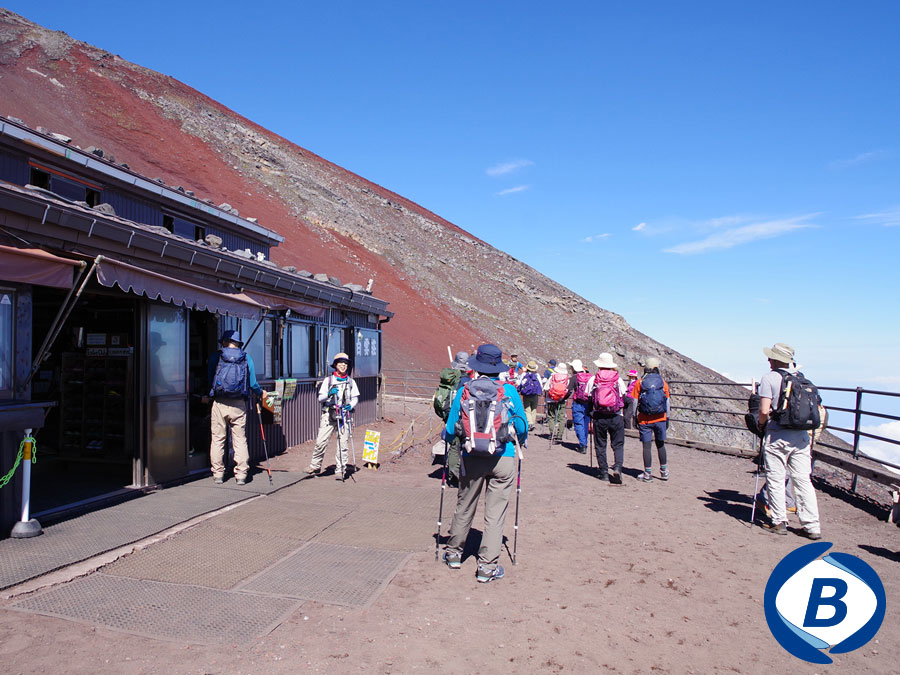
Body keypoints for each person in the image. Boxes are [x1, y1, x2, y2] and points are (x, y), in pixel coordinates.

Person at [442, 344, 527, 583]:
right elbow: (521, 427)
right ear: (498, 366)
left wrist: (452, 440)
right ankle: (487, 567)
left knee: (465, 504)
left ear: (476, 365)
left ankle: (454, 554)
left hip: (471, 457)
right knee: (495, 512)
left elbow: (450, 430)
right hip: (503, 457)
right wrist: (517, 441)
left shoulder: (465, 391)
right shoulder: (509, 391)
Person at [757, 342, 821, 539]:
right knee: (803, 480)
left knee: (776, 479)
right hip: (801, 436)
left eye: (771, 357)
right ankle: (812, 526)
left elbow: (764, 411)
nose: (768, 360)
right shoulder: (801, 378)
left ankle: (779, 521)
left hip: (778, 435)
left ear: (777, 360)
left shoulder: (770, 378)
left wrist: (762, 425)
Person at [206, 329, 265, 485]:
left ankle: (218, 474)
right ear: (239, 343)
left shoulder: (216, 356)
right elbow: (253, 383)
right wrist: (260, 393)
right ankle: (241, 474)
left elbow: (209, 378)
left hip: (219, 402)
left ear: (225, 342)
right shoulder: (246, 358)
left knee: (218, 439)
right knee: (239, 439)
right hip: (239, 403)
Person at [307, 352, 360, 480]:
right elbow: (320, 398)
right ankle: (315, 466)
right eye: (340, 363)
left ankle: (340, 470)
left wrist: (350, 406)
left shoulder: (351, 382)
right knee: (321, 441)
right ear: (335, 365)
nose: (343, 365)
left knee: (343, 443)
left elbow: (355, 398)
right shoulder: (328, 380)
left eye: (345, 363)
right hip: (329, 414)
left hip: (344, 416)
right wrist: (329, 393)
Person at [585, 353, 627, 483]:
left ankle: (603, 472)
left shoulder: (593, 379)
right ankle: (618, 467)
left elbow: (589, 397)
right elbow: (624, 397)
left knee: (600, 444)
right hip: (616, 415)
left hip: (599, 416)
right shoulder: (617, 379)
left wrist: (591, 412)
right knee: (618, 444)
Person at [631, 357, 670, 482]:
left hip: (645, 419)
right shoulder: (662, 382)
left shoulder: (640, 382)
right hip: (661, 418)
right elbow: (667, 401)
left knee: (647, 447)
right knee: (660, 444)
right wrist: (667, 417)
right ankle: (664, 472)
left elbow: (635, 401)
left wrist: (634, 416)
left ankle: (648, 474)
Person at [544, 362, 571, 443]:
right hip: (561, 399)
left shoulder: (552, 376)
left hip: (551, 398)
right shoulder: (567, 378)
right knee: (561, 417)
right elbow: (568, 390)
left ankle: (552, 433)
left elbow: (546, 388)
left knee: (551, 416)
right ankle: (559, 435)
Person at [570, 359, 591, 454]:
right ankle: (584, 442)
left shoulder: (575, 377)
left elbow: (568, 390)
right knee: (586, 424)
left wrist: (562, 399)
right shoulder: (590, 377)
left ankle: (583, 444)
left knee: (579, 424)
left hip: (578, 403)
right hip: (588, 403)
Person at [516, 360, 544, 431]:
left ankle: (530, 423)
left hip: (526, 394)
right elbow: (540, 385)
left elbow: (520, 383)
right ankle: (533, 423)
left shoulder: (524, 374)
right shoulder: (537, 375)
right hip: (535, 395)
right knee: (534, 409)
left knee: (527, 409)